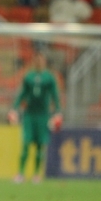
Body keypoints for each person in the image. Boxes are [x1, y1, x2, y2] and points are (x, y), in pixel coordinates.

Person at [8, 52, 61, 184]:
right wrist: (14, 108)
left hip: (43, 115)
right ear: (33, 61)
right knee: (26, 144)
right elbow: (22, 94)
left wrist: (58, 111)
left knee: (40, 145)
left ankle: (37, 174)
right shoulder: (29, 77)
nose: (38, 62)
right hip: (29, 115)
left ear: (44, 61)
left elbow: (55, 95)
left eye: (41, 59)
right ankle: (21, 173)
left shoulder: (49, 77)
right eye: (36, 59)